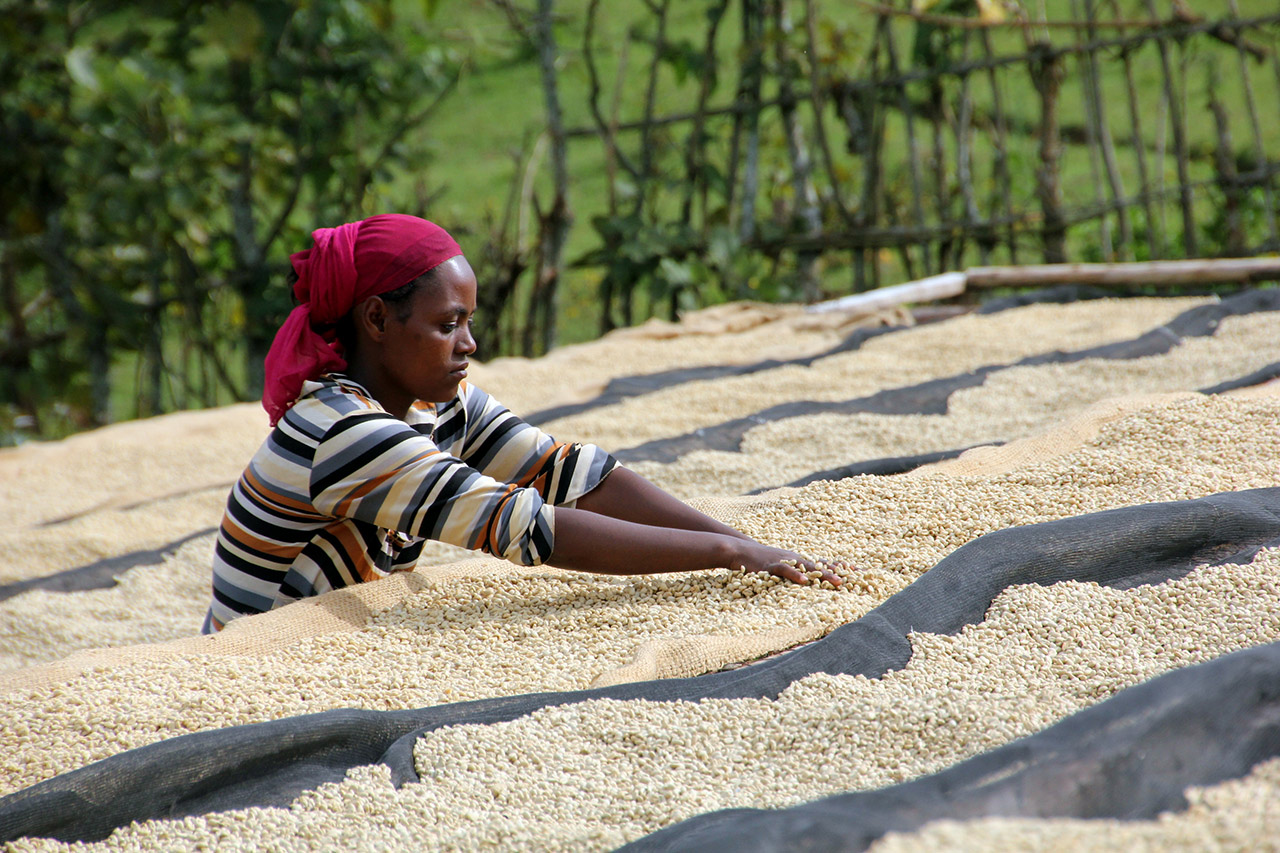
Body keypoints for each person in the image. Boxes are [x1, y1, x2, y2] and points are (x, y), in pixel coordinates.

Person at [202, 214, 842, 633]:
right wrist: (727, 555)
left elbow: (564, 472)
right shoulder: (344, 434)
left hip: (337, 638)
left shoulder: (438, 404)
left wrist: (743, 544)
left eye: (469, 323)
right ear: (376, 321)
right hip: (257, 660)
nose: (469, 344)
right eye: (448, 324)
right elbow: (523, 525)